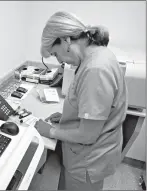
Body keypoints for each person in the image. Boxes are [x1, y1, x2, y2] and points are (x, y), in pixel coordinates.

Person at [34, 11, 128, 191]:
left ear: (66, 41)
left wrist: (51, 131)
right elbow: (93, 107)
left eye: (55, 54)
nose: (60, 60)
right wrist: (67, 116)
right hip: (86, 155)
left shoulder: (95, 70)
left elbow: (88, 135)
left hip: (88, 161)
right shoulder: (97, 56)